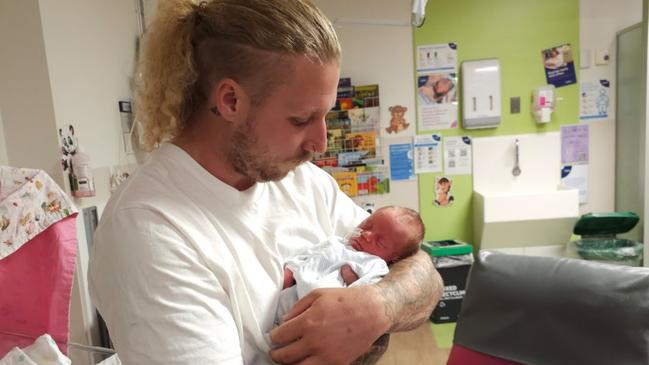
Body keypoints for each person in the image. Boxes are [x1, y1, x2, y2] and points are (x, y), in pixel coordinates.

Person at [88, 1, 443, 364]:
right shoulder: (150, 230)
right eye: (301, 119)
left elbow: (422, 268)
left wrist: (378, 307)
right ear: (230, 100)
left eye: (324, 116)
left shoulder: (302, 180)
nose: (319, 143)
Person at [276, 206, 424, 323]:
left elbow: (367, 298)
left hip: (322, 315)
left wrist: (354, 283)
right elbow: (307, 254)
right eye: (367, 225)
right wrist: (290, 270)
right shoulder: (336, 241)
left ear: (394, 258)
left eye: (380, 241)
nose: (366, 234)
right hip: (291, 297)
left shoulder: (375, 265)